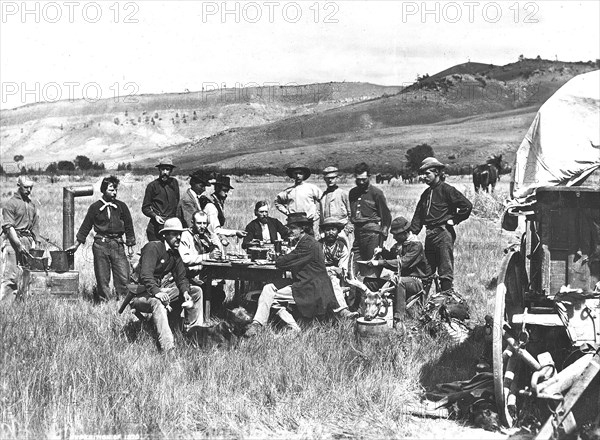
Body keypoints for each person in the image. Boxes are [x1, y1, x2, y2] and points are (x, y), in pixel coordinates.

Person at [246, 212, 338, 334]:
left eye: (293, 228)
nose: (290, 231)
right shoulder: (305, 241)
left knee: (272, 298)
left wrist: (278, 256)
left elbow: (282, 263)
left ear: (302, 229)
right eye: (289, 228)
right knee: (268, 288)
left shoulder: (307, 244)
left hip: (312, 288)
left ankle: (293, 327)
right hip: (305, 282)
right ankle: (257, 323)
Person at [129, 218, 203, 352]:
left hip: (160, 291)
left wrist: (185, 292)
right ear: (165, 235)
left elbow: (182, 278)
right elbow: (146, 275)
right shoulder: (153, 247)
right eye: (174, 234)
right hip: (140, 294)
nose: (179, 238)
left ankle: (194, 334)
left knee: (196, 291)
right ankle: (168, 347)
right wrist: (157, 292)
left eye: (180, 234)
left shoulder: (175, 254)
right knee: (158, 302)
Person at [410, 157, 472, 295]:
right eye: (423, 174)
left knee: (445, 270)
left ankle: (446, 304)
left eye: (427, 174)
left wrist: (454, 219)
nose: (424, 177)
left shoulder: (447, 190)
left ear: (437, 172)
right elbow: (418, 216)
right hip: (430, 235)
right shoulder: (426, 194)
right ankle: (423, 304)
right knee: (427, 270)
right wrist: (411, 234)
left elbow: (466, 206)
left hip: (443, 234)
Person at [68, 176, 135, 303]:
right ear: (103, 190)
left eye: (115, 189)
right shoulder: (95, 207)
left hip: (118, 245)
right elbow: (85, 227)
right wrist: (76, 245)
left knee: (123, 276)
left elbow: (129, 226)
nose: (114, 192)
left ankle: (122, 302)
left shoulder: (122, 206)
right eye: (111, 190)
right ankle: (106, 303)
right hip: (100, 245)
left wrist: (130, 245)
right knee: (102, 277)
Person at [369, 216, 433, 327]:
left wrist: (379, 263)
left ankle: (398, 320)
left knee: (400, 282)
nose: (394, 237)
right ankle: (368, 311)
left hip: (417, 282)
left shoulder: (416, 246)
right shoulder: (399, 245)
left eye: (396, 235)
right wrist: (382, 252)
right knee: (371, 282)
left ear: (405, 233)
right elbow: (392, 258)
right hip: (402, 279)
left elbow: (402, 263)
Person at [178, 210, 224, 319]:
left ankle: (210, 317)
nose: (202, 226)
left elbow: (219, 254)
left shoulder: (205, 236)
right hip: (187, 276)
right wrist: (207, 256)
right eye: (199, 223)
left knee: (219, 292)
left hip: (201, 276)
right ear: (192, 222)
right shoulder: (185, 236)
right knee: (205, 290)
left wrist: (214, 238)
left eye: (205, 223)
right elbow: (185, 259)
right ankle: (201, 319)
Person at [349, 162, 391, 276]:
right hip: (357, 234)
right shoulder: (352, 193)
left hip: (373, 235)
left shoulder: (376, 193)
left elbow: (386, 216)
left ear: (369, 177)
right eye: (358, 179)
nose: (361, 182)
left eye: (364, 179)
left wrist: (383, 235)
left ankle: (371, 291)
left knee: (371, 267)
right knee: (353, 267)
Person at [1, 176, 39, 301]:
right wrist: (18, 245)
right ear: (19, 186)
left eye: (30, 187)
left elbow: (35, 226)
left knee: (27, 274)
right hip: (13, 241)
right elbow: (8, 227)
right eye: (25, 187)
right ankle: (6, 307)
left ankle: (23, 303)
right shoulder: (10, 204)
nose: (28, 190)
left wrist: (35, 243)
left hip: (27, 240)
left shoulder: (31, 204)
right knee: (11, 276)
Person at [319, 217, 358, 319]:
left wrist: (335, 271)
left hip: (336, 278)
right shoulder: (318, 246)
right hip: (319, 276)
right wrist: (332, 269)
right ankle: (343, 311)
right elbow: (316, 266)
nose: (330, 232)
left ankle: (344, 310)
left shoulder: (342, 247)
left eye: (333, 229)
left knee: (333, 280)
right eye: (328, 230)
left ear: (338, 231)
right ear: (324, 231)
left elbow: (342, 269)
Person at [274, 164, 322, 236]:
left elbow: (323, 200)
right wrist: (287, 212)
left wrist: (317, 214)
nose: (298, 176)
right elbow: (277, 202)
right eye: (296, 173)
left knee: (309, 242)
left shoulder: (311, 188)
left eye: (300, 173)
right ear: (292, 175)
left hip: (308, 221)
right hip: (293, 221)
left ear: (304, 175)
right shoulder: (289, 191)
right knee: (293, 242)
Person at [199, 173, 246, 241]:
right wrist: (235, 232)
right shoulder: (211, 206)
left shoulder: (217, 202)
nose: (226, 194)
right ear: (217, 188)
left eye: (227, 191)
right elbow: (215, 230)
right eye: (224, 190)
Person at [142, 158, 180, 241]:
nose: (165, 172)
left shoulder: (174, 183)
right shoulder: (152, 186)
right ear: (159, 170)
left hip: (172, 226)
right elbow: (145, 208)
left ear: (171, 171)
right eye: (163, 169)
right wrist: (155, 216)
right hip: (156, 228)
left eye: (168, 169)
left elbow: (177, 203)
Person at [320, 166, 353, 247]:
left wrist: (348, 228)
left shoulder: (343, 193)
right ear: (324, 179)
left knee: (345, 251)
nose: (330, 180)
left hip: (342, 229)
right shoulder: (323, 196)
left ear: (337, 178)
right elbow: (320, 215)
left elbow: (351, 212)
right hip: (328, 231)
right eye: (328, 178)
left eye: (332, 178)